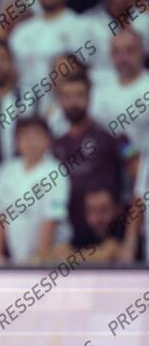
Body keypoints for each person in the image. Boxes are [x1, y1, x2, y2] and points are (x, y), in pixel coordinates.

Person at [52, 73, 123, 247]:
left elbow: (136, 173)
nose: (73, 102)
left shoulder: (111, 136)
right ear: (59, 101)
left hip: (110, 235)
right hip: (71, 234)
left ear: (90, 97)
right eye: (67, 97)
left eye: (79, 95)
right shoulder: (56, 144)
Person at [0, 117, 70, 265]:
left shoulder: (56, 172)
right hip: (14, 257)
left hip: (48, 259)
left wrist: (40, 256)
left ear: (48, 140)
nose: (32, 142)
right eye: (26, 136)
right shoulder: (6, 170)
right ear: (17, 142)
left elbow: (52, 218)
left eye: (38, 136)